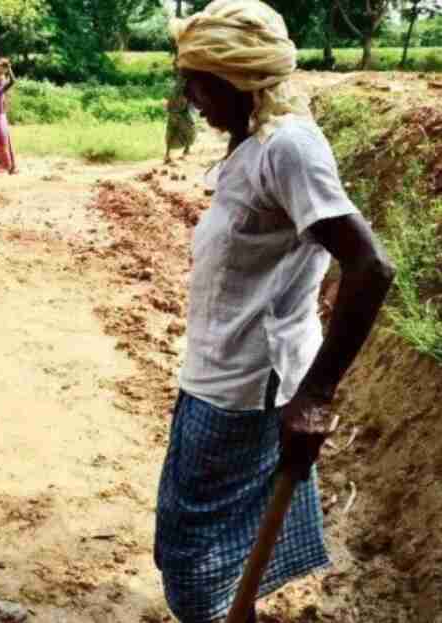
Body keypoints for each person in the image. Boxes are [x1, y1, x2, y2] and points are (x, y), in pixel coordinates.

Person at [155, 2, 396, 622]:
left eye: (199, 81)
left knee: (192, 555)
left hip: (248, 387)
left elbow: (369, 266)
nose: (189, 95)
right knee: (192, 539)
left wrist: (316, 395)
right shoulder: (249, 144)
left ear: (238, 83)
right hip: (213, 374)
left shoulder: (289, 147)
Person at [165, 68, 197, 164]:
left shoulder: (177, 84)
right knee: (188, 131)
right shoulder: (185, 84)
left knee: (172, 131)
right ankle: (185, 151)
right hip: (181, 112)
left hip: (175, 112)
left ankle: (168, 154)